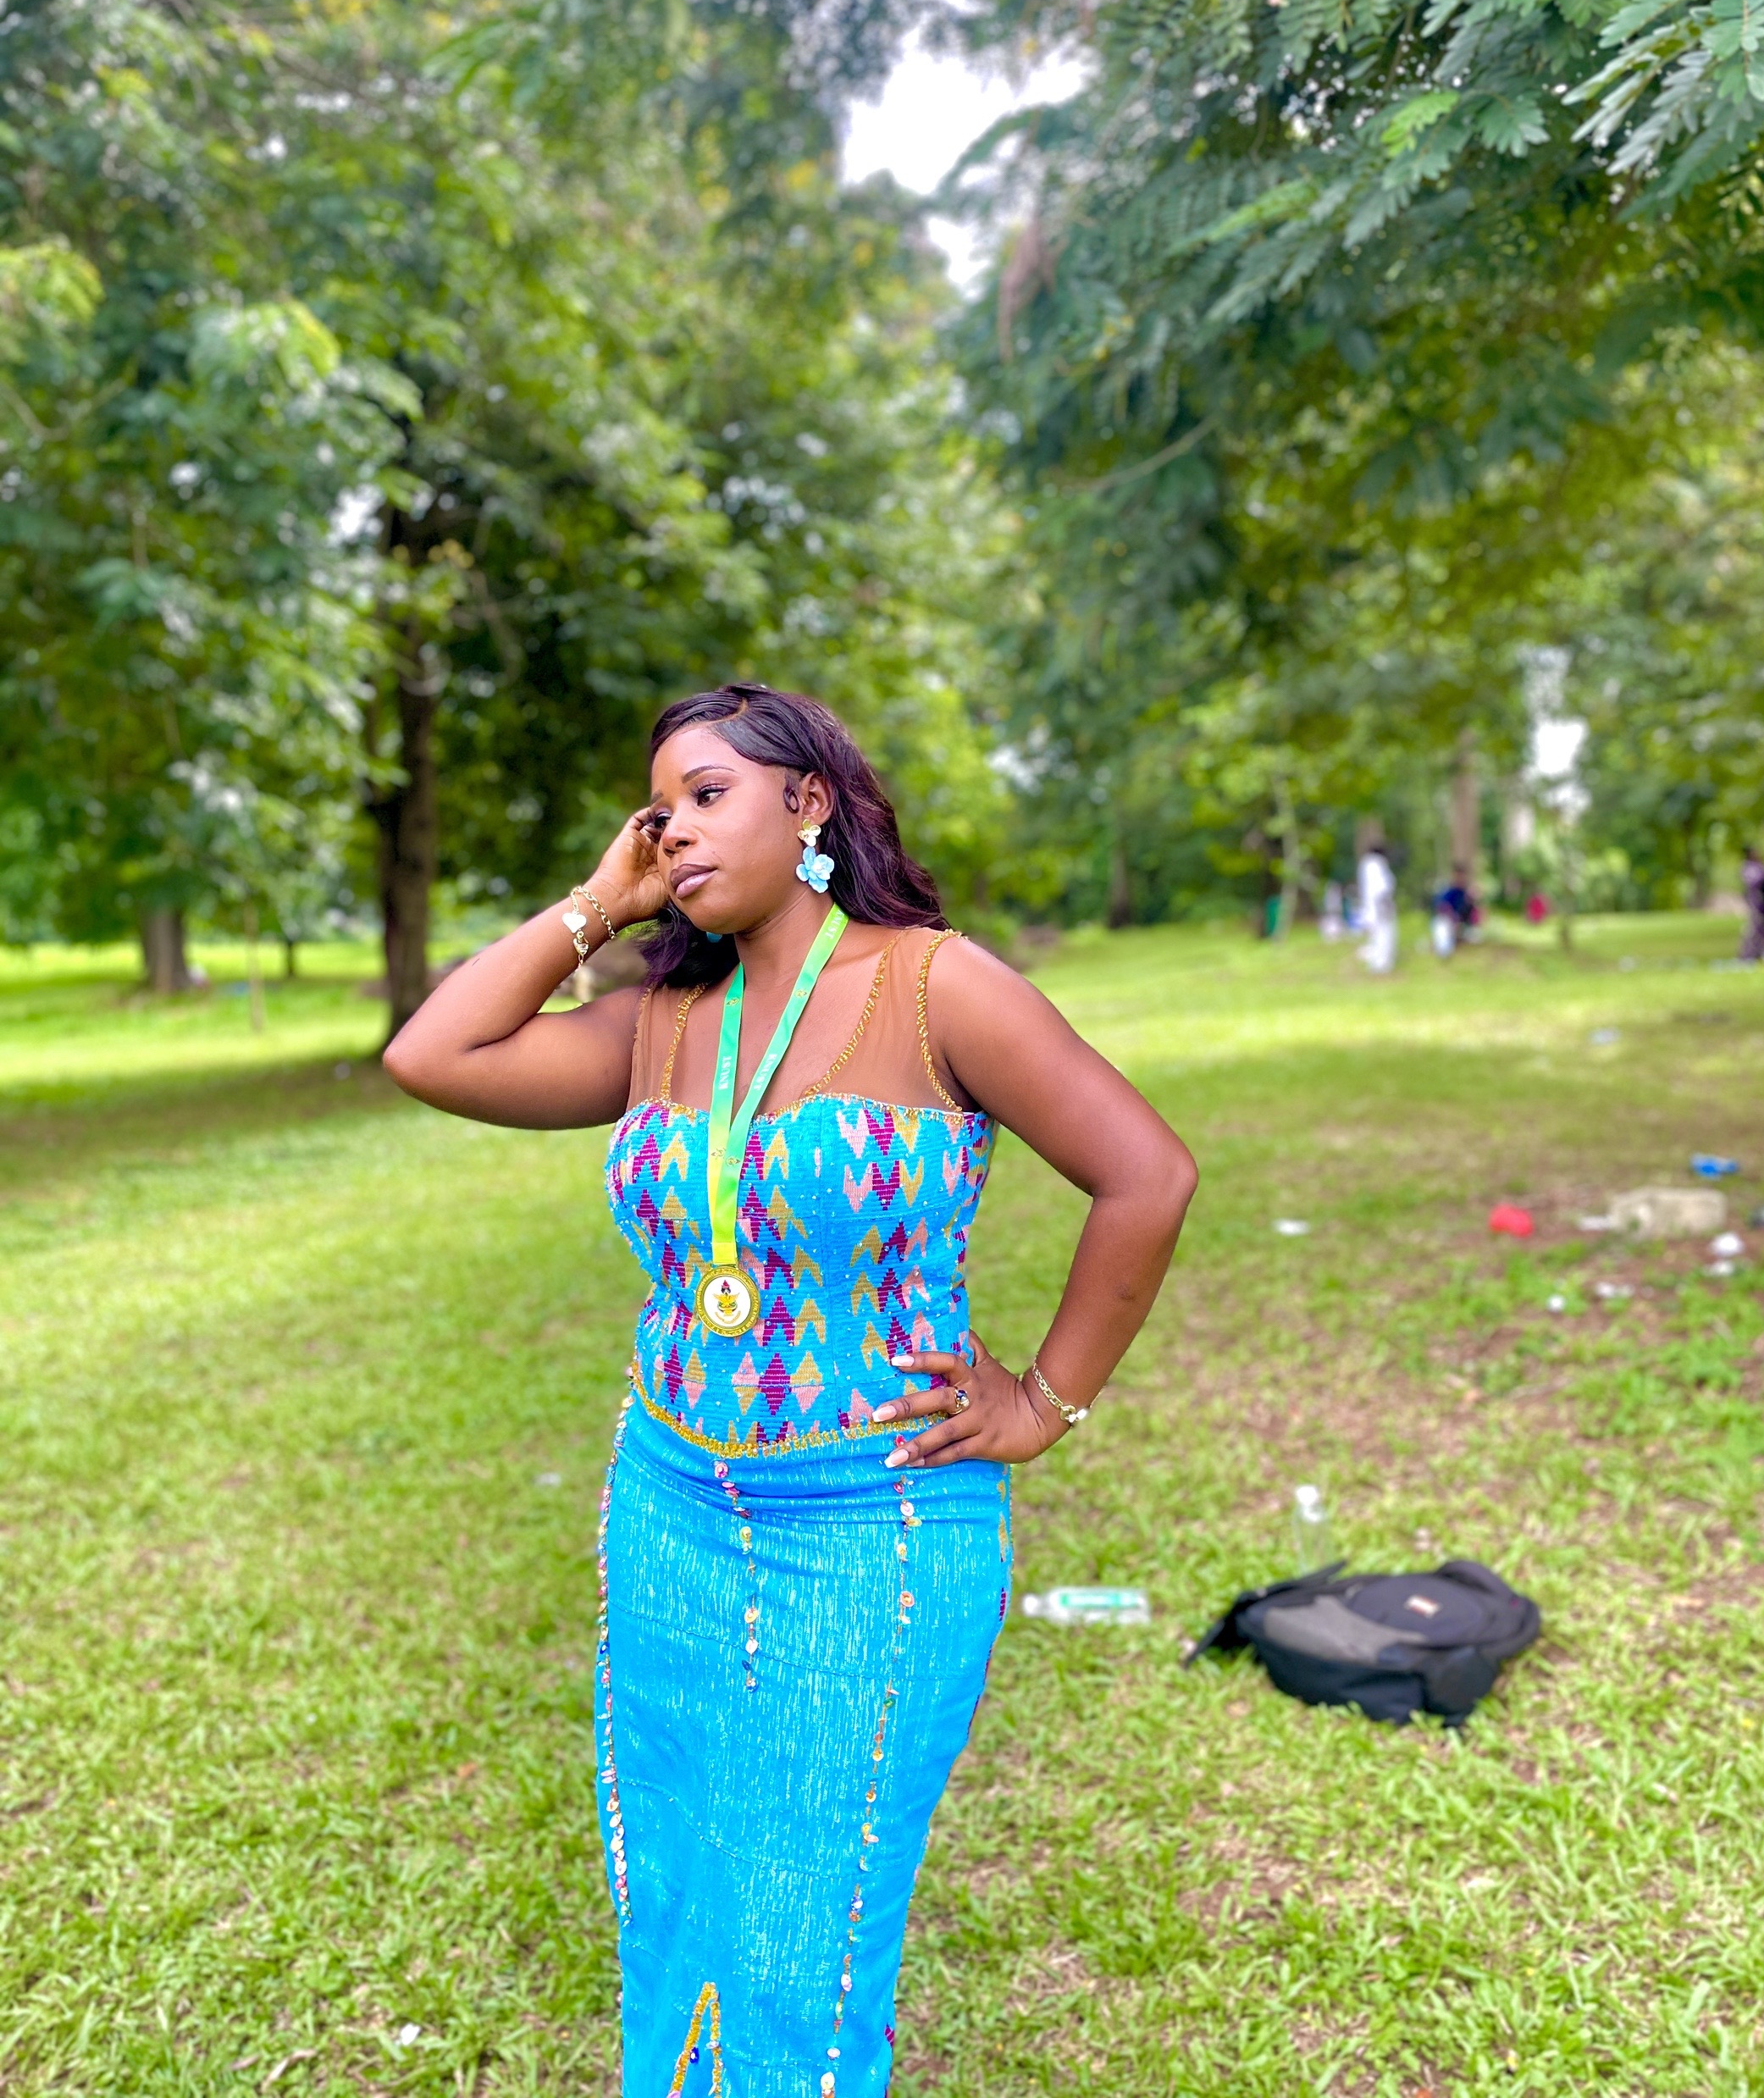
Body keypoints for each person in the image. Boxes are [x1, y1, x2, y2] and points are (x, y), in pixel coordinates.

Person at [382, 684, 1197, 2096]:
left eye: (709, 795)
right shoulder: (661, 1018)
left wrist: (1044, 1402)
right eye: (660, 809)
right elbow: (430, 1054)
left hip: (872, 1523)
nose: (677, 830)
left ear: (808, 802)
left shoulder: (934, 986)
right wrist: (600, 907)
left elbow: (1148, 1176)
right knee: (674, 1887)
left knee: (803, 1927)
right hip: (670, 1502)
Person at [1357, 835, 1397, 975]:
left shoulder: (1366, 865)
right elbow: (1382, 887)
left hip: (1372, 906)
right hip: (1381, 904)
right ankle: (1382, 964)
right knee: (1384, 934)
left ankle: (1378, 963)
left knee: (1377, 935)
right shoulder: (1377, 865)